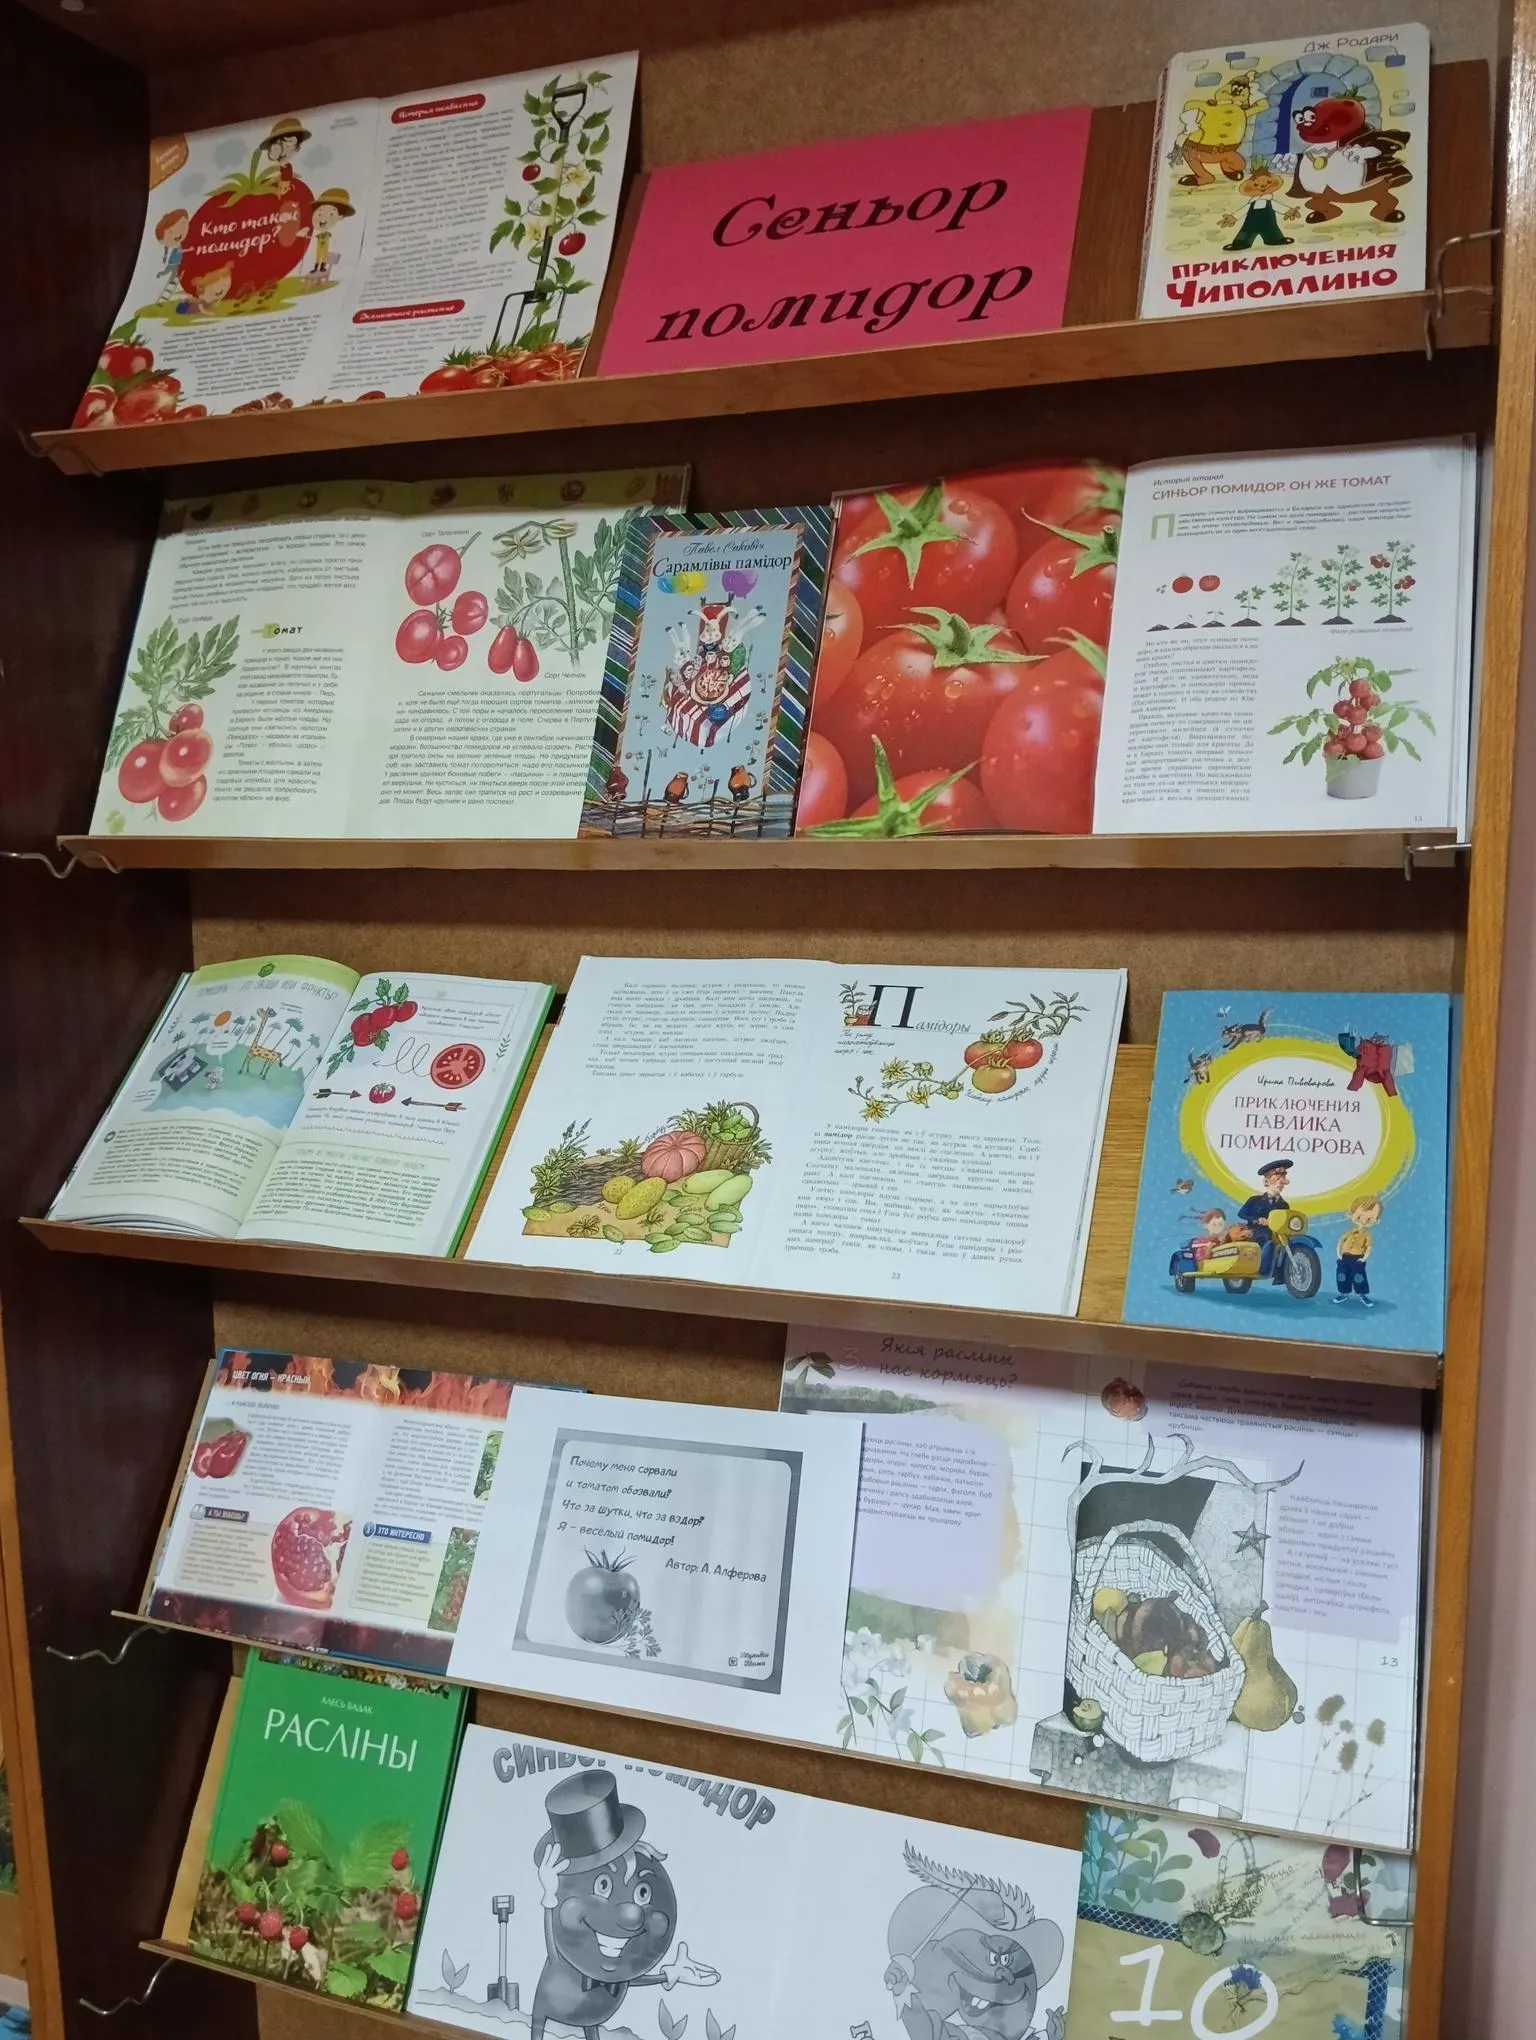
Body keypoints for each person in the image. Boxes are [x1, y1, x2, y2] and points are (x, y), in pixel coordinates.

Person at [1237, 1159, 1293, 1283]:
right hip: (1256, 1232)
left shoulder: (1284, 1205)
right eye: (1277, 1181)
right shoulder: (1255, 1200)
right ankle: (1262, 1269)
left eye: (1282, 1182)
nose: (1280, 1185)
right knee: (1268, 1238)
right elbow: (1241, 1213)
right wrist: (1256, 1219)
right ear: (1267, 1182)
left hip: (1277, 1234)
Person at [1332, 1194, 1382, 1306]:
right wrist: (1339, 1254)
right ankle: (1343, 1294)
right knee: (1342, 1276)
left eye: (1369, 1219)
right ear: (1351, 1214)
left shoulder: (1367, 1235)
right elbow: (1340, 1242)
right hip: (1344, 1258)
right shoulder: (1349, 1232)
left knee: (1359, 1278)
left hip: (1357, 1259)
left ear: (1376, 1221)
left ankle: (1362, 1296)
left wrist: (1363, 1259)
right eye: (1359, 1217)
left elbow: (1369, 1247)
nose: (1363, 1221)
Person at [305, 186, 355, 283]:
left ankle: (322, 268)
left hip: (324, 249)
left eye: (331, 214)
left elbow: (334, 240)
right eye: (319, 213)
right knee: (318, 256)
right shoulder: (318, 234)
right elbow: (313, 238)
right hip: (319, 249)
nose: (323, 218)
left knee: (323, 256)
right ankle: (316, 268)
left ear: (340, 217)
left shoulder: (329, 234)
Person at [154, 208, 189, 301]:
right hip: (173, 262)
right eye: (170, 232)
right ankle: (161, 274)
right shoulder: (176, 248)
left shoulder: (180, 244)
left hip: (177, 262)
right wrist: (165, 256)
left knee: (173, 272)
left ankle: (171, 280)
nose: (177, 234)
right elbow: (170, 248)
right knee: (168, 271)